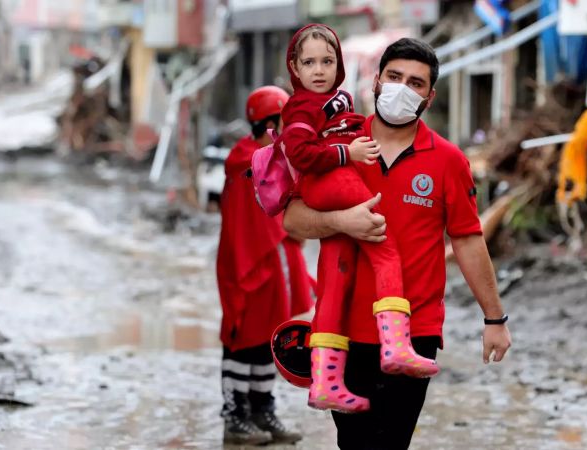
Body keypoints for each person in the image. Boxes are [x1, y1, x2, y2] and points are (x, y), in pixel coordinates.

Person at [283, 38, 513, 450]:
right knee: (353, 444)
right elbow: (292, 218)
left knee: (391, 443)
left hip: (414, 331)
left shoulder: (447, 160)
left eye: (416, 83)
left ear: (430, 96)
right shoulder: (335, 144)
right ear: (375, 81)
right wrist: (340, 221)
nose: (402, 88)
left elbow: (467, 239)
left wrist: (494, 319)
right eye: (394, 77)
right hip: (343, 331)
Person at [277, 24, 438, 413]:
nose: (319, 70)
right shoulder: (302, 106)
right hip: (332, 180)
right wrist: (347, 155)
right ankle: (397, 346)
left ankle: (326, 380)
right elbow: (300, 155)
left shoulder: (338, 100)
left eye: (328, 61)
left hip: (333, 182)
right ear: (294, 68)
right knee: (384, 246)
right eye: (310, 62)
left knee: (333, 279)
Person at [216, 85, 314, 445]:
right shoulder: (248, 161)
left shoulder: (269, 157)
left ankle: (262, 410)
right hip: (250, 263)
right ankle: (235, 416)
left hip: (273, 262)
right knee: (242, 338)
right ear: (272, 122)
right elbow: (256, 224)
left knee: (266, 339)